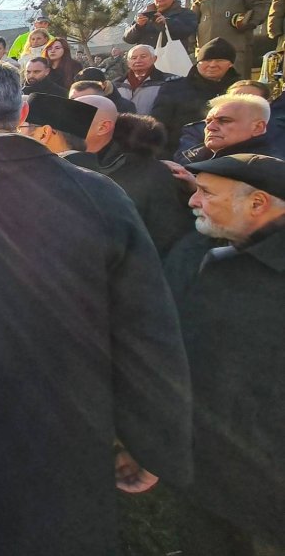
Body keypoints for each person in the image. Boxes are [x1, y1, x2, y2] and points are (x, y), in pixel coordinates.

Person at [0, 59, 192, 555]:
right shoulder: (98, 192)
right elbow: (147, 320)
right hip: (62, 413)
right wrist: (150, 436)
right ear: (23, 110)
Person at [164, 154, 285, 555]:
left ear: (257, 203)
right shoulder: (208, 251)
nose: (192, 202)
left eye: (205, 193)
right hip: (207, 477)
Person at [75, 103, 193, 258]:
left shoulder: (155, 175)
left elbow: (164, 237)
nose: (63, 125)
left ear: (103, 126)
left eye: (75, 118)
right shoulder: (71, 161)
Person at [150, 38, 242, 155]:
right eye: (207, 60)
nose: (212, 65)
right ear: (198, 63)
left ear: (230, 64)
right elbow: (157, 124)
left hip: (231, 155)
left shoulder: (241, 91)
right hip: (180, 155)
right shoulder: (173, 88)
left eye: (219, 60)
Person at [192, 0, 270, 78]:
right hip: (206, 48)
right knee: (205, 81)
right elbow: (192, 21)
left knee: (236, 79)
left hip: (236, 46)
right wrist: (192, 43)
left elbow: (262, 6)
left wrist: (248, 22)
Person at [174, 94, 281, 165]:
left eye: (224, 121)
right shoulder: (190, 157)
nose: (210, 127)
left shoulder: (269, 169)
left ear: (258, 128)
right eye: (208, 121)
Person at [123, 0, 198, 49]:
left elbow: (187, 31)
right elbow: (128, 39)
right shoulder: (145, 14)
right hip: (147, 61)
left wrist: (167, 23)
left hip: (172, 59)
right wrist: (138, 26)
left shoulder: (185, 13)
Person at [116, 44, 177, 115]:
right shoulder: (116, 84)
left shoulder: (169, 82)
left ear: (154, 59)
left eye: (143, 57)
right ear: (128, 63)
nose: (138, 60)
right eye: (134, 58)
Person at [69, 67, 136, 113]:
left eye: (89, 86)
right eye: (79, 86)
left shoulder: (125, 107)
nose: (83, 90)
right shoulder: (75, 102)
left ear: (104, 85)